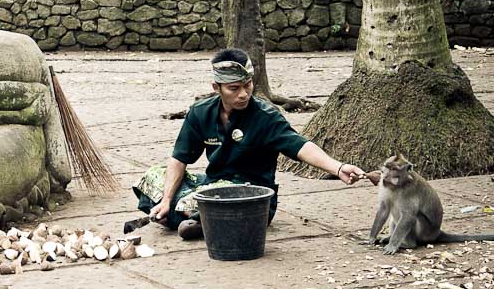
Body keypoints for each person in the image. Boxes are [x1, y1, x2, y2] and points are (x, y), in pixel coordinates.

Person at [132, 47, 365, 240]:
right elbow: (179, 158)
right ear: (217, 88)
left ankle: (194, 219)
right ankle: (191, 217)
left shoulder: (266, 116)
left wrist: (338, 167)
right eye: (234, 88)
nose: (243, 94)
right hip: (212, 185)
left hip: (253, 196)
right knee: (153, 177)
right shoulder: (200, 113)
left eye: (248, 85)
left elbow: (301, 146)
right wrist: (166, 200)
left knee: (197, 199)